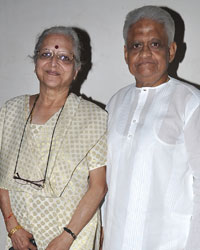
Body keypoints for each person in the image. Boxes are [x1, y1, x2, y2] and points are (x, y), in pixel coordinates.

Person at [0, 26, 107, 250]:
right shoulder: (9, 111)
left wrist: (65, 239)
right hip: (22, 240)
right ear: (36, 62)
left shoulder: (93, 118)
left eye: (64, 57)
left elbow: (98, 187)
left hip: (72, 240)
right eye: (46, 54)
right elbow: (2, 174)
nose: (53, 63)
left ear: (77, 69)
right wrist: (12, 227)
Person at [102, 5, 200, 250]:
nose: (144, 53)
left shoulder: (190, 102)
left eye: (155, 44)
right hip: (116, 240)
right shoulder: (115, 103)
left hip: (168, 242)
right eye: (136, 45)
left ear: (172, 50)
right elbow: (106, 179)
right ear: (126, 53)